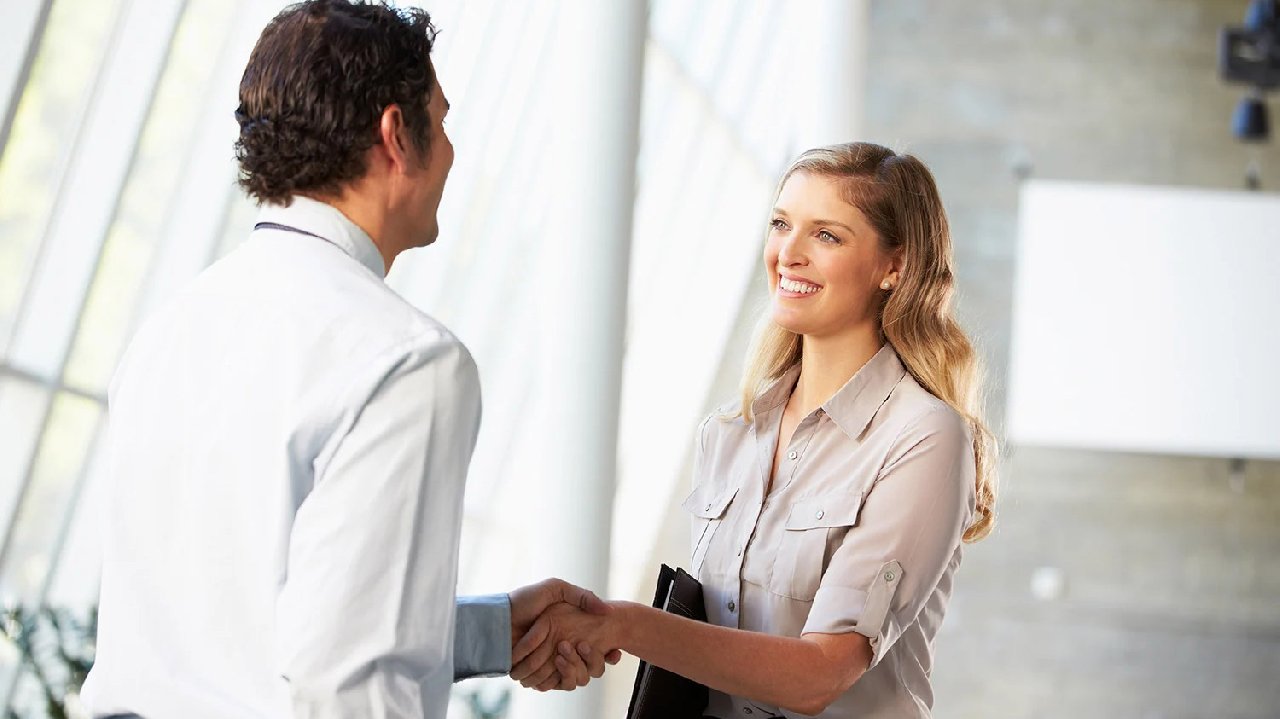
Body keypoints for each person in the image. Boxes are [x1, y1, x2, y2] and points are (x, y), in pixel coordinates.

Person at [81, 2, 611, 717]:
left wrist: (486, 631)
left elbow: (237, 628)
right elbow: (349, 686)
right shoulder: (409, 363)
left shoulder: (168, 330)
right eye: (443, 119)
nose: (452, 149)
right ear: (396, 135)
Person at [511, 142, 1000, 718]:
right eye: (780, 224)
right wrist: (588, 633)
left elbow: (820, 675)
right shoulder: (731, 431)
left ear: (894, 266)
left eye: (827, 235)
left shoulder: (924, 437)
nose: (787, 254)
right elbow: (713, 644)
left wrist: (620, 625)